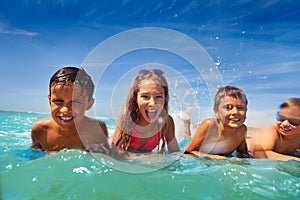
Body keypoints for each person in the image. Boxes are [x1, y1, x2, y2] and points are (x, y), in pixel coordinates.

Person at [31, 66, 109, 153]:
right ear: (50, 101)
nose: (65, 110)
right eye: (58, 101)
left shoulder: (96, 130)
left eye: (75, 102)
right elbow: (33, 156)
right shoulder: (40, 130)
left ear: (89, 104)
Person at [112, 69, 180, 153]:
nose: (152, 103)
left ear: (165, 98)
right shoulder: (128, 117)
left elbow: (176, 154)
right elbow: (115, 153)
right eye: (145, 96)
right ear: (135, 98)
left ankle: (186, 125)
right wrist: (144, 159)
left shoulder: (166, 122)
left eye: (158, 96)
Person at [184, 86, 251, 159]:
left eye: (240, 108)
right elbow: (188, 152)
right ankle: (186, 124)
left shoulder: (242, 130)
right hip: (186, 145)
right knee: (187, 140)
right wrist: (221, 159)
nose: (235, 112)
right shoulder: (210, 125)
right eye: (228, 107)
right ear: (216, 112)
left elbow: (243, 153)